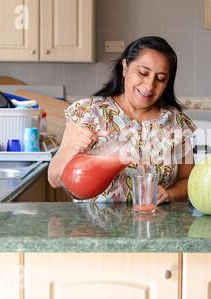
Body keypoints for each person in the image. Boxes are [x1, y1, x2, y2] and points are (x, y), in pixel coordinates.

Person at [48, 36, 196, 205]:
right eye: (143, 73)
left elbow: (189, 181)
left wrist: (170, 194)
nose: (149, 85)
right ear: (125, 67)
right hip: (93, 228)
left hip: (154, 227)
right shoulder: (90, 112)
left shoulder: (175, 121)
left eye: (160, 78)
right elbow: (54, 180)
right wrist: (74, 149)